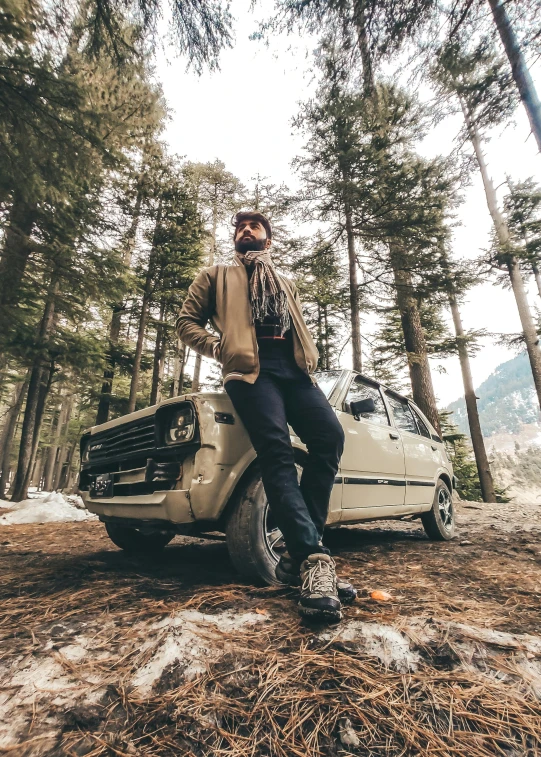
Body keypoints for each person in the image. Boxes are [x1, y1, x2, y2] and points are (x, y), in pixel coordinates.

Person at [176, 211, 356, 622]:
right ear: (235, 239)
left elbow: (297, 329)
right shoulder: (216, 276)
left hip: (293, 371)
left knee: (329, 438)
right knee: (276, 451)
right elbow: (186, 322)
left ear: (268, 241)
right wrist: (220, 349)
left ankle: (300, 552)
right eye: (240, 227)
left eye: (255, 227)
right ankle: (314, 560)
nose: (246, 230)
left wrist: (307, 360)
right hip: (250, 373)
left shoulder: (284, 283)